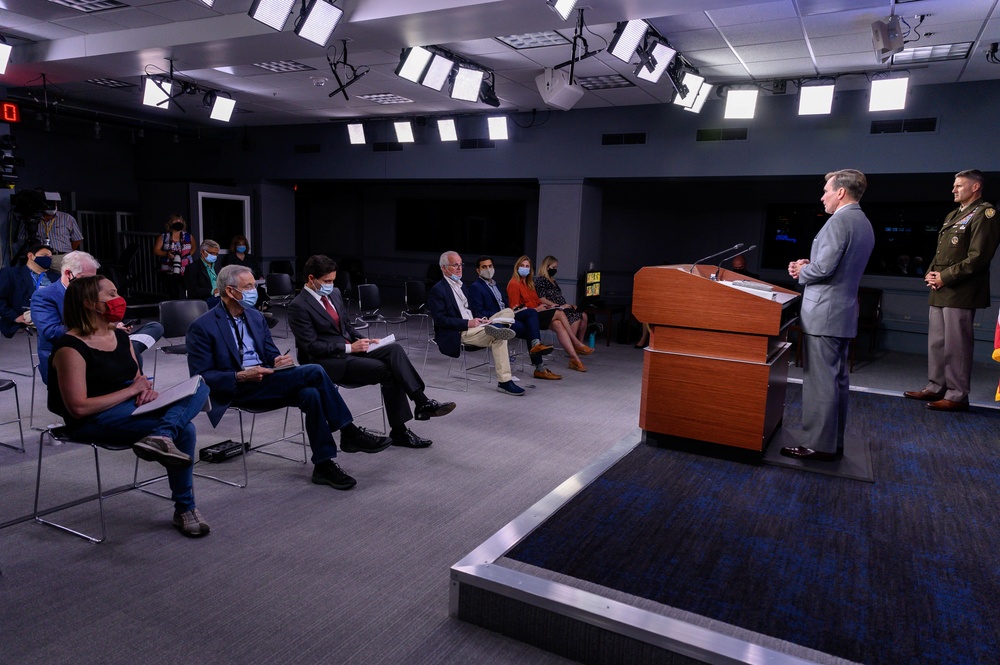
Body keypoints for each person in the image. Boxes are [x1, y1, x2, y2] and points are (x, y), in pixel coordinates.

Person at [186, 264, 392, 490]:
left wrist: (277, 360)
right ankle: (349, 431)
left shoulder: (255, 317)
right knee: (314, 371)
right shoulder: (202, 327)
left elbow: (270, 352)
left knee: (311, 393)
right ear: (230, 291)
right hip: (238, 388)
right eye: (249, 287)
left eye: (255, 285)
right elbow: (201, 377)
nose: (255, 290)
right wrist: (241, 375)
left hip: (267, 379)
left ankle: (323, 465)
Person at [48, 275, 212, 537]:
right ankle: (185, 508)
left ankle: (162, 435)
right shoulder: (70, 348)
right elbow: (78, 408)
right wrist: (132, 390)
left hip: (130, 407)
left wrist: (145, 389)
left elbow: (138, 379)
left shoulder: (120, 337)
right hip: (93, 420)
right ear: (89, 304)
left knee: (201, 386)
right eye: (111, 294)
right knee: (187, 430)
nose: (119, 300)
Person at [287, 255, 456, 448]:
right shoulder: (298, 306)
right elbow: (311, 347)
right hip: (327, 361)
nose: (331, 285)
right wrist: (350, 347)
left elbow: (346, 327)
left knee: (394, 349)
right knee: (390, 371)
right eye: (326, 281)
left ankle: (422, 402)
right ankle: (401, 430)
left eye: (333, 281)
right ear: (311, 279)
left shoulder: (333, 294)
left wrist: (361, 339)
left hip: (350, 350)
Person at [781, 169, 875, 462]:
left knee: (821, 382)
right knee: (837, 382)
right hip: (843, 312)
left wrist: (800, 270)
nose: (822, 196)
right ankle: (832, 442)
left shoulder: (839, 221)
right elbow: (837, 265)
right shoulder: (863, 222)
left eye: (826, 190)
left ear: (841, 192)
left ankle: (817, 445)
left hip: (824, 313)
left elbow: (824, 270)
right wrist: (813, 264)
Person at [904, 169, 1000, 412]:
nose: (953, 189)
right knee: (937, 342)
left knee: (956, 346)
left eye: (959, 185)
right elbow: (942, 253)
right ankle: (936, 387)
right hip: (941, 288)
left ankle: (957, 396)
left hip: (961, 290)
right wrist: (930, 273)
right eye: (954, 185)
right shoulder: (953, 215)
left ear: (975, 187)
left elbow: (978, 258)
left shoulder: (985, 214)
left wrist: (944, 277)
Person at [31, 250, 163, 385]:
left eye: (93, 278)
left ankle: (127, 347)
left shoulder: (92, 292)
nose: (91, 284)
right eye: (86, 279)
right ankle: (128, 350)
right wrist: (102, 329)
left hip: (104, 342)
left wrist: (115, 325)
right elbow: (50, 331)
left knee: (155, 327)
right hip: (73, 352)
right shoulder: (44, 296)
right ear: (67, 274)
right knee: (128, 352)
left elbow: (106, 317)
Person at [426, 251, 523, 396]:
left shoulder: (463, 287)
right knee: (499, 337)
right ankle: (504, 381)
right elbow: (440, 320)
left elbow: (471, 311)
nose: (459, 268)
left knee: (508, 311)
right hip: (460, 332)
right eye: (455, 265)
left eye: (460, 265)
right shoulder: (438, 290)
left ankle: (496, 326)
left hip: (477, 326)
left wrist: (481, 319)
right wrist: (467, 323)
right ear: (444, 268)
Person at [468, 255, 558, 380]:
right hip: (495, 320)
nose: (488, 269)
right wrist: (498, 314)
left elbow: (504, 304)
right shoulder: (476, 287)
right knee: (530, 326)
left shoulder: (494, 285)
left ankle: (537, 351)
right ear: (478, 270)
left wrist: (514, 309)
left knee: (530, 314)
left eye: (490, 266)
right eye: (484, 267)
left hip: (508, 315)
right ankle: (539, 366)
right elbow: (478, 312)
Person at [506, 255, 591, 373]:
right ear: (517, 267)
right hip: (529, 315)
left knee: (558, 325)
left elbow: (537, 300)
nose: (525, 268)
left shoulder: (529, 283)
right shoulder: (514, 283)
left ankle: (575, 359)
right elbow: (514, 308)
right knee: (560, 313)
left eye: (527, 266)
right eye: (522, 266)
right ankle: (576, 342)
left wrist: (546, 306)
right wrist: (537, 309)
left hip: (539, 312)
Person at [0, 243, 56, 338]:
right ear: (30, 256)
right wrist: (15, 317)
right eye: (45, 256)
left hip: (51, 323)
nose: (48, 259)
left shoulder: (56, 277)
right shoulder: (11, 273)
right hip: (22, 325)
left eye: (50, 257)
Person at [535, 255, 589, 346]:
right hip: (553, 308)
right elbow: (542, 299)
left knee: (584, 315)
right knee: (576, 316)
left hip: (562, 306)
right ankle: (572, 344)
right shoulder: (541, 280)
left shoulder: (553, 280)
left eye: (556, 267)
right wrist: (558, 305)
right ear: (547, 267)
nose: (555, 270)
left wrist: (569, 305)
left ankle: (580, 343)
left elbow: (558, 296)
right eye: (553, 267)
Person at [19, 195, 83, 271]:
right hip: (40, 257)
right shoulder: (33, 218)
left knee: (64, 281)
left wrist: (66, 252)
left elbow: (77, 239)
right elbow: (22, 238)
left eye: (54, 203)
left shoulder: (67, 218)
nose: (52, 206)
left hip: (61, 257)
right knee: (40, 280)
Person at [152, 214, 196, 300]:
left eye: (180, 221)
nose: (178, 222)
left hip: (186, 268)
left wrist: (188, 255)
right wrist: (166, 254)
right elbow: (156, 250)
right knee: (173, 292)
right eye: (176, 221)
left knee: (189, 290)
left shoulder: (188, 236)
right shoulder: (164, 236)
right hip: (169, 268)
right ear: (170, 223)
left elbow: (194, 247)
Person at [220, 234, 269, 311]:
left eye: (243, 244)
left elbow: (257, 269)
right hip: (238, 283)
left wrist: (260, 277)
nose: (242, 246)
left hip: (253, 282)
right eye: (239, 244)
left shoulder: (250, 257)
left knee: (260, 290)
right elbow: (228, 273)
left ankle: (260, 308)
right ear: (235, 246)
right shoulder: (229, 258)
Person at [183, 239, 221, 308]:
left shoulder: (218, 267)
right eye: (212, 253)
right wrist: (212, 291)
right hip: (204, 300)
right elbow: (192, 290)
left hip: (219, 297)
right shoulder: (192, 268)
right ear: (203, 252)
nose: (215, 256)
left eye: (216, 254)